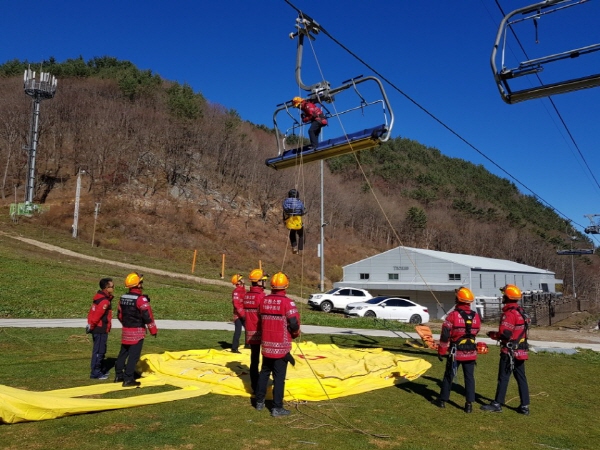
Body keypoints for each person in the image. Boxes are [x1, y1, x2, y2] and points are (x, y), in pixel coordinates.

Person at [255, 272, 301, 417]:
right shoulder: (288, 303)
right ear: (286, 285)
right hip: (281, 348)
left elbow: (259, 318)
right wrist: (295, 333)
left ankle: (259, 402)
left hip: (266, 345)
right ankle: (277, 407)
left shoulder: (264, 300)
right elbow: (294, 323)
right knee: (279, 378)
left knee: (264, 373)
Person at [481, 284, 531, 415]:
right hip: (521, 351)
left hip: (509, 352)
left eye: (503, 295)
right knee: (521, 378)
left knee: (503, 377)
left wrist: (493, 335)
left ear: (508, 297)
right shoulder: (522, 312)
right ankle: (524, 406)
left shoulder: (509, 314)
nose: (502, 297)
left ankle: (497, 404)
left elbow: (505, 334)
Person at [433, 286, 481, 413]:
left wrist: (441, 351)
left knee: (449, 376)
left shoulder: (453, 316)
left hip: (456, 353)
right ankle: (469, 404)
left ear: (458, 299)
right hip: (471, 352)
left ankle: (442, 400)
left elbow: (445, 335)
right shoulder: (476, 316)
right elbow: (476, 331)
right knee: (469, 377)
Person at [114, 272, 158, 387]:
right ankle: (128, 379)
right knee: (133, 356)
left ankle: (118, 375)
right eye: (141, 282)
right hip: (137, 332)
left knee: (123, 353)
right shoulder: (141, 300)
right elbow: (148, 316)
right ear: (138, 285)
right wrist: (153, 330)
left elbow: (119, 314)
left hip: (126, 330)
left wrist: (126, 324)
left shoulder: (122, 298)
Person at [243, 268, 267, 394]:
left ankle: (254, 384)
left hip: (250, 332)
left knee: (254, 359)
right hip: (261, 331)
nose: (265, 282)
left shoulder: (247, 295)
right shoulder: (261, 296)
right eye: (264, 280)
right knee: (266, 361)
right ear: (258, 282)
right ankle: (261, 385)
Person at [86, 277, 115, 380]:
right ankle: (95, 373)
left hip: (97, 328)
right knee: (99, 351)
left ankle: (100, 369)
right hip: (100, 329)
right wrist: (92, 325)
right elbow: (97, 316)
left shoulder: (98, 298)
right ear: (106, 288)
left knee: (100, 350)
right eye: (112, 287)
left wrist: (90, 325)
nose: (113, 288)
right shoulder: (104, 302)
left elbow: (91, 313)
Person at [282, 189, 306, 254]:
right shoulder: (299, 202)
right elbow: (302, 211)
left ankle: (294, 246)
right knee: (301, 234)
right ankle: (300, 249)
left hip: (289, 221)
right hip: (297, 220)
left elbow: (284, 209)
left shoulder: (285, 201)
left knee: (292, 233)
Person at [231, 273, 247, 353]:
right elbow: (236, 304)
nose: (243, 280)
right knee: (238, 331)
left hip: (244, 314)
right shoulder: (236, 292)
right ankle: (234, 348)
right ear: (238, 282)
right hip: (238, 315)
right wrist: (242, 314)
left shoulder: (243, 290)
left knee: (248, 329)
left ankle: (248, 344)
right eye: (241, 279)